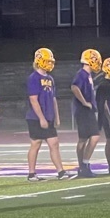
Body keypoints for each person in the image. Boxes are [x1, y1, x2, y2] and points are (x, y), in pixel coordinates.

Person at [26, 48, 68, 182]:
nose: (49, 64)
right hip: (35, 117)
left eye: (50, 61)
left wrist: (56, 116)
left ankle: (61, 172)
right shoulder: (33, 78)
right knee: (36, 143)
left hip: (48, 116)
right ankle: (31, 174)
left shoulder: (50, 78)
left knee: (54, 143)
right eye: (47, 61)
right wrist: (41, 118)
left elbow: (53, 98)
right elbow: (33, 99)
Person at [72, 48, 102, 178]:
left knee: (91, 137)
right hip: (83, 110)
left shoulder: (88, 75)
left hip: (87, 110)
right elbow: (74, 87)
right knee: (87, 138)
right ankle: (83, 165)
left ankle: (84, 165)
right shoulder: (82, 74)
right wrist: (84, 102)